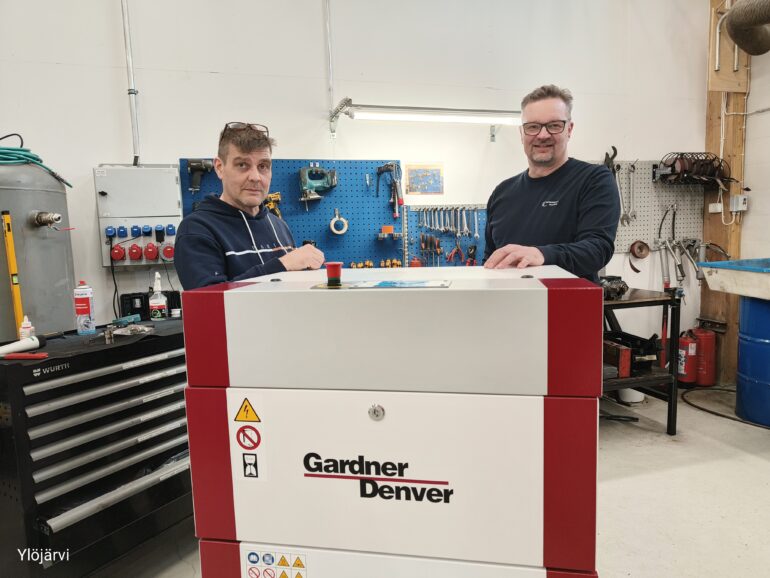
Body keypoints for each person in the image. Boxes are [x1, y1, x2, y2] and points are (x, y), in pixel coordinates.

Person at [483, 85, 619, 282]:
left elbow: (597, 249)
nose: (542, 135)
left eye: (554, 125)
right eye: (533, 127)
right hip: (511, 301)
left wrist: (542, 254)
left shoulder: (594, 180)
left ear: (569, 129)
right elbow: (490, 260)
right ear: (522, 133)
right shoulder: (502, 193)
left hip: (567, 302)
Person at [175, 123, 325, 289]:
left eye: (263, 166)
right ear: (219, 168)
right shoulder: (197, 229)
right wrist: (282, 265)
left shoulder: (279, 226)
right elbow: (208, 300)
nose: (255, 177)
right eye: (242, 165)